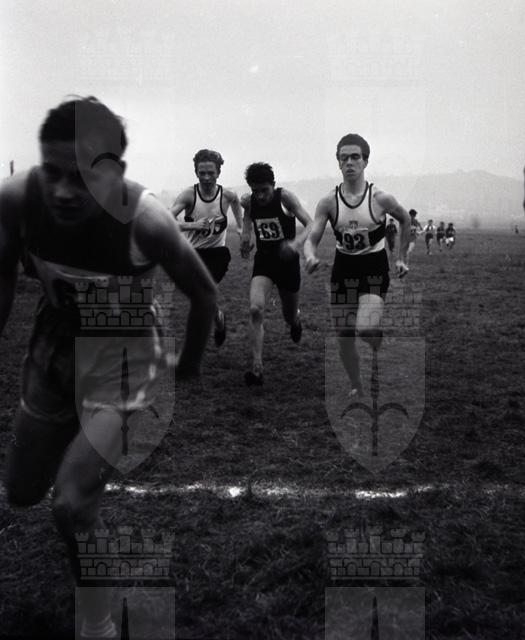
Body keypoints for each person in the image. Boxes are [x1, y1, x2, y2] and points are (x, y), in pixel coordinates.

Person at [0, 97, 217, 638]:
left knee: (71, 505)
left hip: (124, 362)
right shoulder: (17, 199)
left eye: (81, 178)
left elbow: (203, 293)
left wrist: (188, 365)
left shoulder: (147, 221)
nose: (62, 191)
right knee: (21, 492)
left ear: (115, 171)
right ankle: (79, 448)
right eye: (52, 172)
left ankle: (97, 624)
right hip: (53, 354)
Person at [304, 133, 410, 397]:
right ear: (338, 162)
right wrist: (310, 256)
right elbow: (312, 238)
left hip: (373, 266)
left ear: (365, 161)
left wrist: (401, 258)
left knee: (364, 327)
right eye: (344, 158)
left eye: (355, 157)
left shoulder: (380, 198)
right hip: (343, 268)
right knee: (344, 336)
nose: (349, 162)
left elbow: (405, 220)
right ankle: (357, 384)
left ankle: (374, 337)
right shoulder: (328, 202)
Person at [239, 162, 311, 386]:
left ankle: (295, 320)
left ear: (273, 185)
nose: (260, 196)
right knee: (255, 309)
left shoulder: (285, 198)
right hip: (265, 262)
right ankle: (257, 367)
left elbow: (310, 224)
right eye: (255, 191)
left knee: (288, 316)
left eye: (265, 190)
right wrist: (245, 235)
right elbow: (247, 217)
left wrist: (296, 243)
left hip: (288, 263)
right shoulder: (249, 201)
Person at [170, 148, 242, 346]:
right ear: (196, 173)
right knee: (200, 297)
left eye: (211, 173)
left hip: (218, 254)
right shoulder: (188, 195)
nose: (206, 177)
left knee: (203, 293)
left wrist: (240, 227)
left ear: (219, 172)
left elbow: (236, 202)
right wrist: (193, 225)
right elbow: (167, 220)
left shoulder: (226, 195)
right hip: (192, 254)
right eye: (202, 173)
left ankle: (200, 335)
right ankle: (218, 318)